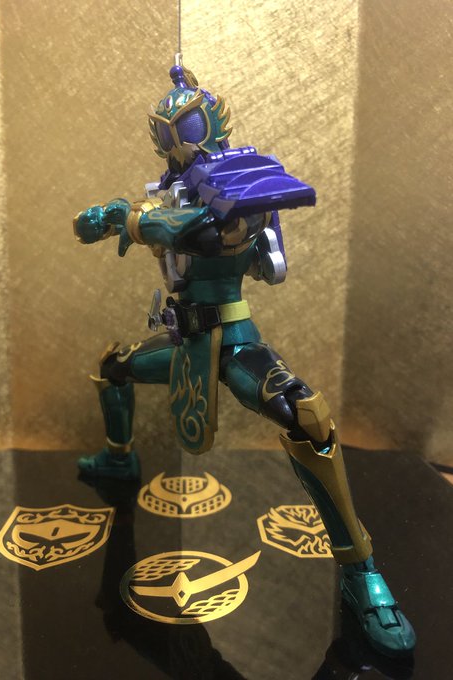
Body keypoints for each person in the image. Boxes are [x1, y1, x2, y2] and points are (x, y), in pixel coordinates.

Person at [73, 60, 415, 658]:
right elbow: (127, 226)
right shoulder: (170, 193)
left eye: (187, 127)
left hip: (234, 340)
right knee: (115, 365)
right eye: (167, 133)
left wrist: (139, 219)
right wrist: (109, 218)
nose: (179, 143)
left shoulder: (242, 186)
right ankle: (120, 461)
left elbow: (217, 241)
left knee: (307, 415)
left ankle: (362, 573)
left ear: (213, 122)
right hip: (183, 341)